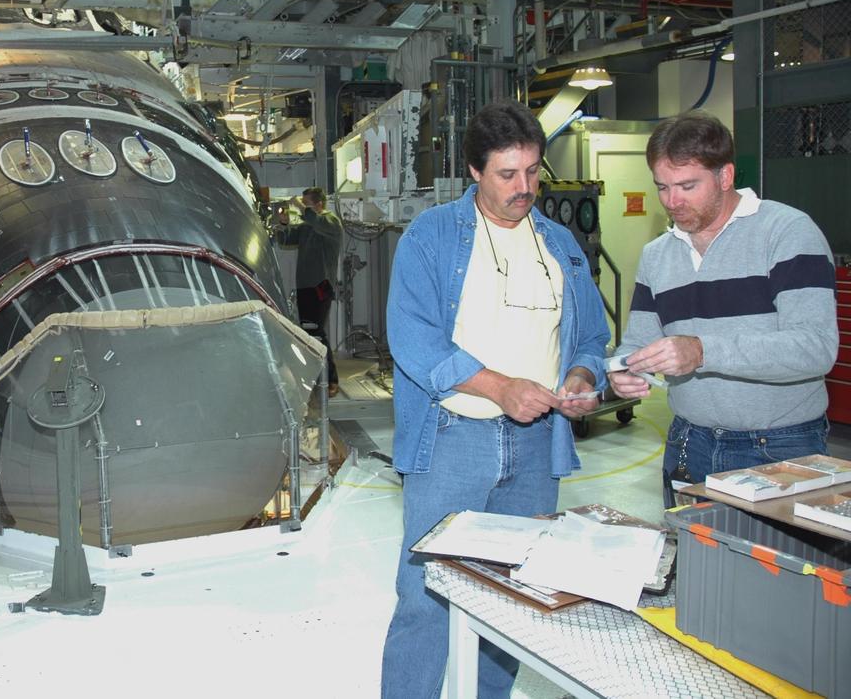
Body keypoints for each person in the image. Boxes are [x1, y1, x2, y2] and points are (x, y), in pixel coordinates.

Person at [381, 99, 609, 699]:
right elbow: (413, 338)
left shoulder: (560, 246)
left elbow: (589, 335)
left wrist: (583, 377)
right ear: (475, 172)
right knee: (427, 596)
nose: (524, 187)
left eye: (533, 171)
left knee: (512, 602)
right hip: (455, 438)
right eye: (508, 174)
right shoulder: (431, 236)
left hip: (537, 448)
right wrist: (501, 388)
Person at [608, 111, 838, 507]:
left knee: (773, 568)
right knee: (699, 566)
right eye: (662, 187)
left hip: (780, 448)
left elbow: (815, 348)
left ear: (725, 176)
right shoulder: (657, 255)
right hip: (688, 442)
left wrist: (702, 351)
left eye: (686, 186)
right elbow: (637, 342)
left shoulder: (787, 233)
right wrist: (624, 371)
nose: (672, 201)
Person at [275, 187, 343, 396]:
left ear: (319, 204)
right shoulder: (308, 226)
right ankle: (314, 377)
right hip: (305, 286)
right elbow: (286, 240)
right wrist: (284, 223)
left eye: (307, 204)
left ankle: (330, 379)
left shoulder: (330, 223)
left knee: (316, 332)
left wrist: (301, 208)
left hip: (320, 286)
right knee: (308, 331)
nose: (303, 208)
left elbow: (317, 222)